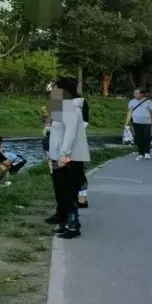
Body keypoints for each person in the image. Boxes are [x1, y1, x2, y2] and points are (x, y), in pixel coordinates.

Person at [49, 78, 90, 238]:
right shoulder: (63, 107)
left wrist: (63, 154)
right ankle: (67, 221)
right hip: (58, 156)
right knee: (63, 190)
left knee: (69, 190)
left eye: (57, 89)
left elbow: (70, 133)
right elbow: (58, 129)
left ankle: (73, 226)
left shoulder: (72, 108)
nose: (54, 92)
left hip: (67, 158)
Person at [125, 88, 152, 161]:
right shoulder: (131, 102)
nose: (135, 94)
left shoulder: (148, 102)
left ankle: (147, 153)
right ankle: (141, 153)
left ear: (141, 94)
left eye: (136, 93)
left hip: (147, 123)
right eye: (134, 93)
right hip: (136, 122)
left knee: (146, 138)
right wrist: (126, 122)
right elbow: (130, 112)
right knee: (138, 138)